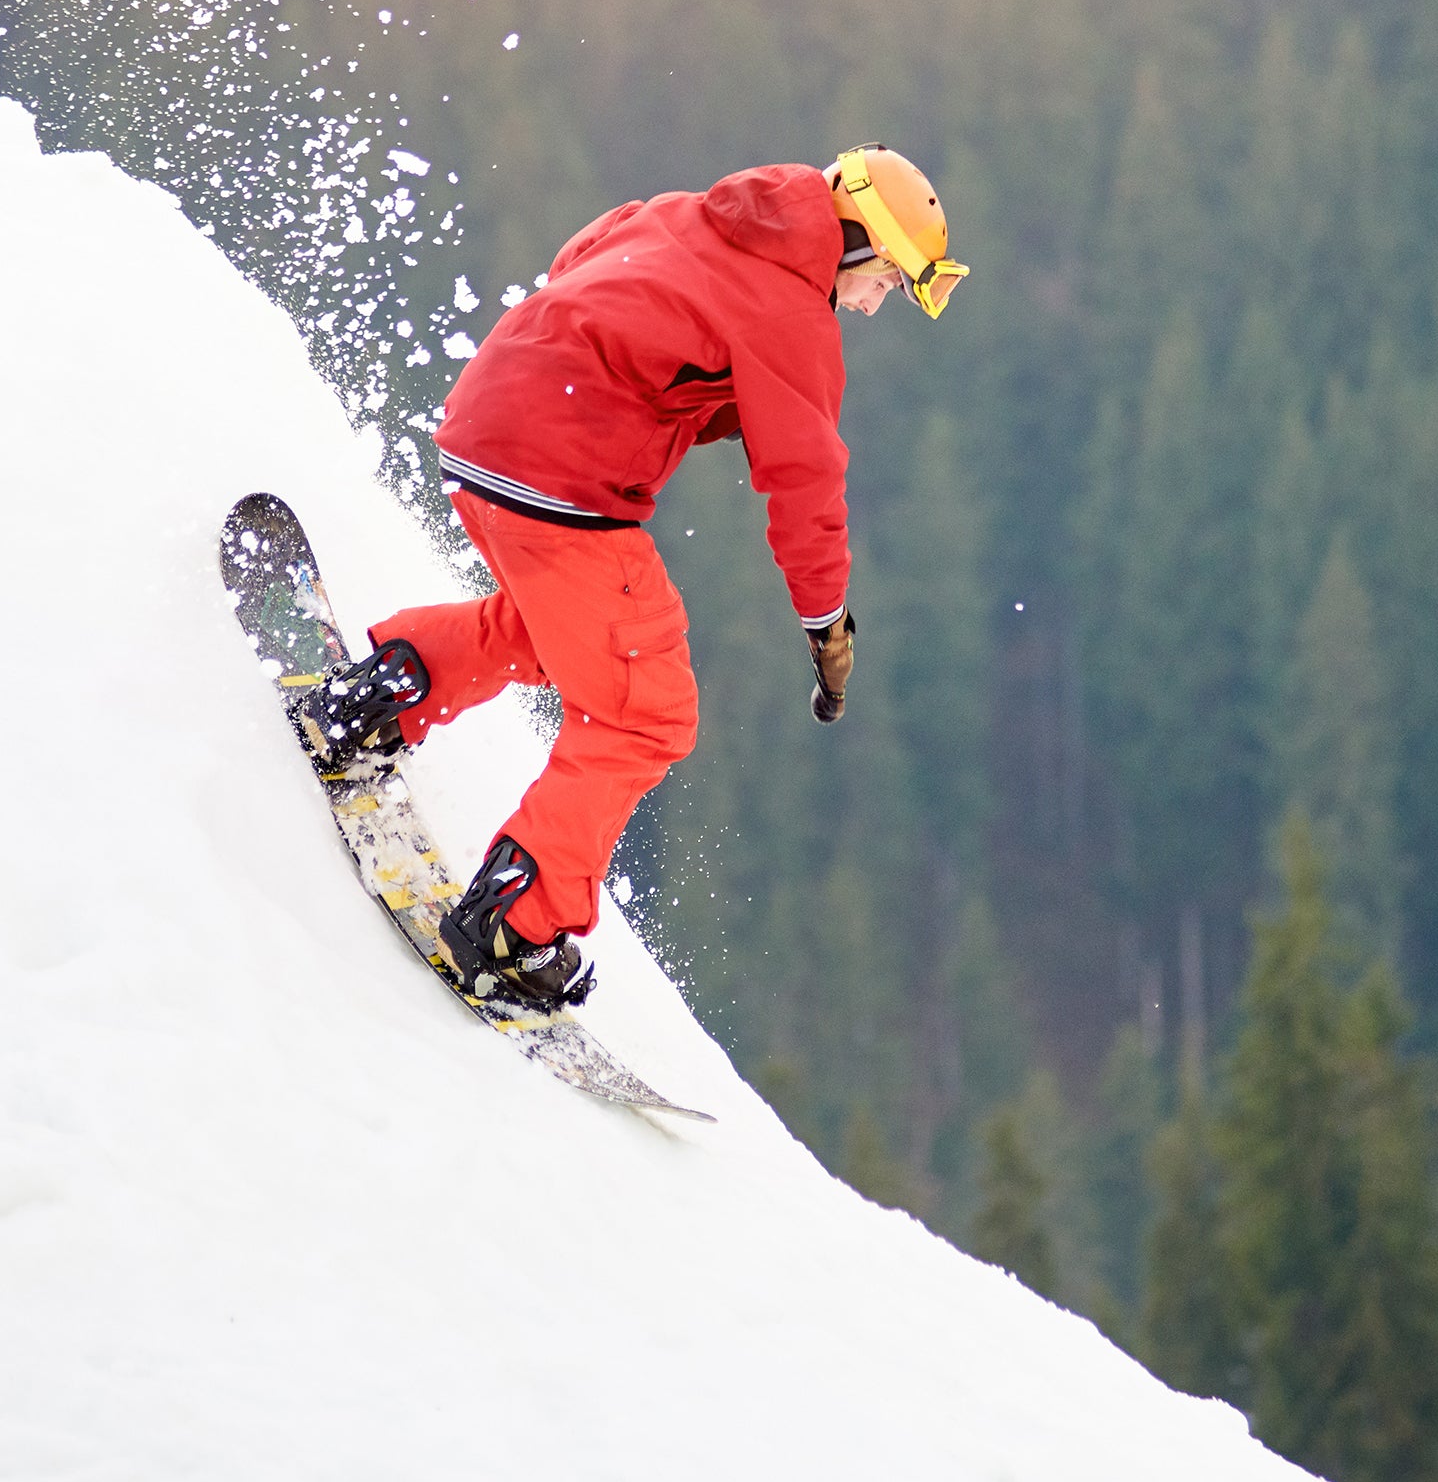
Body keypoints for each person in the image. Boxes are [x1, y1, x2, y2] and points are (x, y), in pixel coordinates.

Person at [291, 145, 967, 1011]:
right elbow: (806, 480)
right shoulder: (789, 309)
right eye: (889, 282)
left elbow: (585, 257)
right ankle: (510, 927)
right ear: (856, 242)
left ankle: (378, 697)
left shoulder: (695, 214)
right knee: (648, 709)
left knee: (566, 635)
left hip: (483, 429)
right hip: (561, 475)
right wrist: (825, 621)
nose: (876, 305)